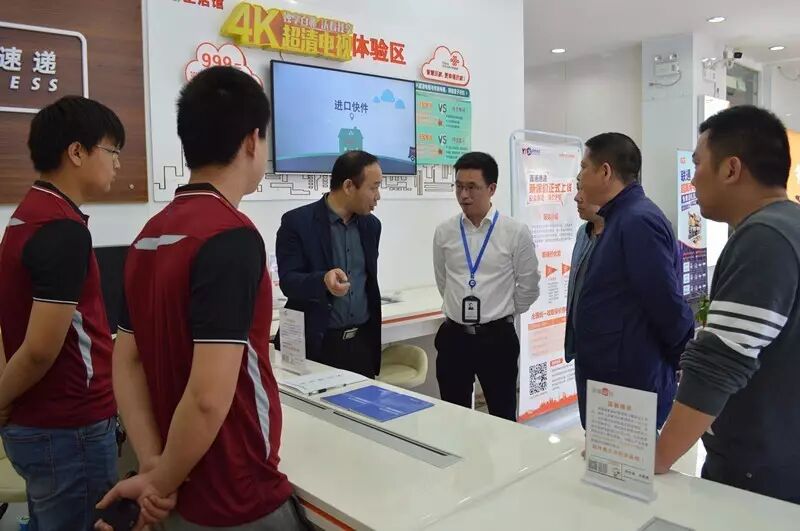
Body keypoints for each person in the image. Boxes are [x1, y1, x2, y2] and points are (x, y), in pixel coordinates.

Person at [96, 66, 306, 529]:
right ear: (252, 141)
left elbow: (126, 361)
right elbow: (209, 397)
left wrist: (154, 463)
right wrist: (161, 480)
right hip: (237, 490)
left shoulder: (148, 237)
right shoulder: (230, 236)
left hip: (178, 488)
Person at [656, 106, 800, 504]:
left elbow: (719, 364)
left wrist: (656, 455)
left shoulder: (764, 239)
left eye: (698, 163)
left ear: (731, 169)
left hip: (761, 476)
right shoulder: (788, 226)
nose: (693, 178)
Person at [0, 96, 124, 530]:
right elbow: (39, 349)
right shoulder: (62, 230)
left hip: (45, 422)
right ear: (76, 152)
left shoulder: (26, 216)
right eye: (112, 151)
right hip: (69, 426)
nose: (117, 163)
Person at [573, 133, 693, 429]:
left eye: (584, 167)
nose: (579, 177)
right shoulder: (618, 218)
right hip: (613, 375)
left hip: (628, 379)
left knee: (628, 458)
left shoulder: (637, 221)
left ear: (605, 172)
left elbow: (665, 303)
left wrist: (680, 358)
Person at [433, 152, 540, 421]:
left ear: (491, 189)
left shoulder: (515, 232)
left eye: (472, 187)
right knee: (453, 417)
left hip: (497, 339)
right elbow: (443, 280)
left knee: (502, 417)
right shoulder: (445, 232)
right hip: (454, 337)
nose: (464, 195)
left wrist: (502, 312)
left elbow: (529, 285)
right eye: (459, 186)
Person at [275, 150, 383, 378]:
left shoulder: (371, 226)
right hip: (316, 345)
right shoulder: (297, 223)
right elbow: (288, 282)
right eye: (373, 188)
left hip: (360, 345)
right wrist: (322, 280)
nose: (378, 196)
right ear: (348, 186)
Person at [564, 181, 604, 403]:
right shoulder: (583, 233)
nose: (577, 197)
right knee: (589, 418)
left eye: (583, 189)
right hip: (583, 352)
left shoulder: (626, 233)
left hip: (611, 357)